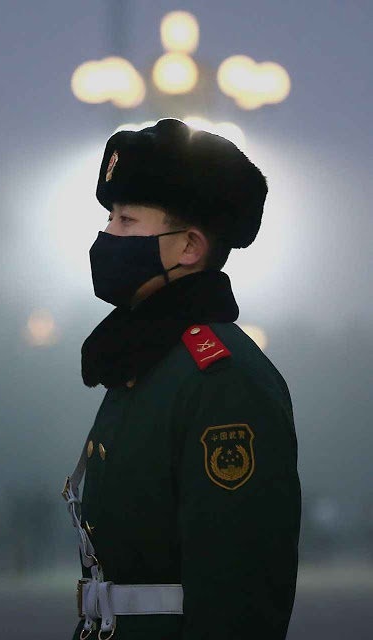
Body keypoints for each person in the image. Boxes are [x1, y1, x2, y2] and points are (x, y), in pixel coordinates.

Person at [63, 118, 301, 640]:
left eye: (126, 220)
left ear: (190, 247)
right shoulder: (145, 363)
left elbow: (240, 598)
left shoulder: (222, 380)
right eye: (109, 217)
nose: (107, 236)